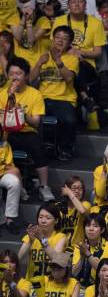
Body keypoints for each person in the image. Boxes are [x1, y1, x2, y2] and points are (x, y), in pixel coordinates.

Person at [0, 57, 54, 201]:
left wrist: (22, 113)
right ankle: (19, 186)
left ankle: (44, 186)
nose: (14, 77)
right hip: (7, 133)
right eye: (11, 74)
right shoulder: (2, 93)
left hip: (28, 132)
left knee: (37, 146)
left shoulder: (34, 94)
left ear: (26, 76)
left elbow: (36, 122)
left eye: (18, 74)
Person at [30, 25, 80, 160]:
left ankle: (65, 149)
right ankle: (37, 149)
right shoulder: (43, 56)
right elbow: (30, 79)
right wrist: (39, 64)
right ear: (52, 39)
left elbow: (69, 78)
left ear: (69, 43)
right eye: (57, 37)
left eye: (64, 39)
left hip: (63, 99)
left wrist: (57, 60)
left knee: (69, 120)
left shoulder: (72, 59)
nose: (60, 41)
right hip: (42, 98)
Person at [52, 0, 106, 111]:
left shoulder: (96, 23)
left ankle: (83, 97)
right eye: (73, 1)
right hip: (62, 58)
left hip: (86, 64)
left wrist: (80, 52)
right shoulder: (59, 20)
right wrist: (70, 51)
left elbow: (98, 52)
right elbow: (53, 45)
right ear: (68, 5)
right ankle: (85, 97)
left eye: (80, 1)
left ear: (85, 5)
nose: (76, 4)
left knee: (77, 66)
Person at [18, 202, 66, 281]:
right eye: (40, 217)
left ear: (56, 220)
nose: (43, 221)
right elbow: (18, 259)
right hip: (31, 285)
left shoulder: (61, 237)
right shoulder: (31, 236)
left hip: (51, 286)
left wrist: (42, 240)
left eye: (48, 218)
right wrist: (30, 241)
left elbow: (56, 260)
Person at [72, 213, 108, 288]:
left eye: (95, 226)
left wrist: (87, 253)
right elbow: (74, 273)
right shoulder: (80, 246)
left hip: (99, 289)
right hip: (79, 289)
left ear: (102, 230)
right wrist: (82, 257)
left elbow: (103, 271)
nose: (91, 229)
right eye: (88, 226)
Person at [0, 124, 21, 234]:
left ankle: (10, 219)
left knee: (14, 182)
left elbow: (9, 165)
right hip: (2, 172)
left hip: (2, 174)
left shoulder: (5, 144)